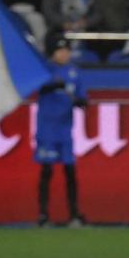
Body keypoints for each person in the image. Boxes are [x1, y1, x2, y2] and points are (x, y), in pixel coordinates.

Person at [35, 33, 87, 227]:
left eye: (67, 50)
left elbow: (82, 98)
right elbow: (38, 88)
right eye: (60, 50)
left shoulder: (75, 72)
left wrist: (81, 102)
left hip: (66, 129)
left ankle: (74, 213)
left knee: (70, 170)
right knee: (47, 170)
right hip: (47, 128)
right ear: (52, 52)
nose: (64, 54)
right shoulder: (45, 70)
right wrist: (50, 85)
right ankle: (43, 215)